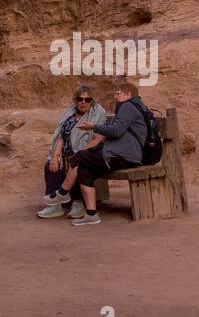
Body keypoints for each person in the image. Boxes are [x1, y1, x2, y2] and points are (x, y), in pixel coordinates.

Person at [58, 80, 147, 226]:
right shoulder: (130, 107)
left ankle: (61, 194)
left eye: (118, 93)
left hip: (124, 156)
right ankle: (92, 215)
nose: (115, 96)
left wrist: (94, 127)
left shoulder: (128, 106)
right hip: (122, 154)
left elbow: (116, 131)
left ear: (128, 94)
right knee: (85, 172)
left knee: (80, 156)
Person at [38, 85, 107, 221]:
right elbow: (61, 137)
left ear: (91, 101)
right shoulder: (69, 113)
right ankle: (55, 206)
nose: (83, 102)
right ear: (75, 100)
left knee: (77, 164)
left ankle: (78, 202)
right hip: (65, 153)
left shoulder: (97, 113)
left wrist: (78, 155)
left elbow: (99, 139)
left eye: (87, 99)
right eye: (80, 99)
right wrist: (55, 156)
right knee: (50, 165)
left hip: (86, 152)